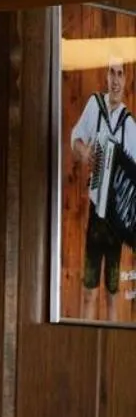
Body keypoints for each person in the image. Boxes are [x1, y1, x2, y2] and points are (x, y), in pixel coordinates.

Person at [70, 59, 135, 321]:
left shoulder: (129, 125)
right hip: (96, 213)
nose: (116, 80)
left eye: (120, 74)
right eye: (112, 73)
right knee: (88, 291)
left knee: (111, 294)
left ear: (125, 79)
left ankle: (111, 339)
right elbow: (75, 138)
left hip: (115, 222)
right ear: (106, 76)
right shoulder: (94, 106)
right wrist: (85, 151)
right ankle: (86, 336)